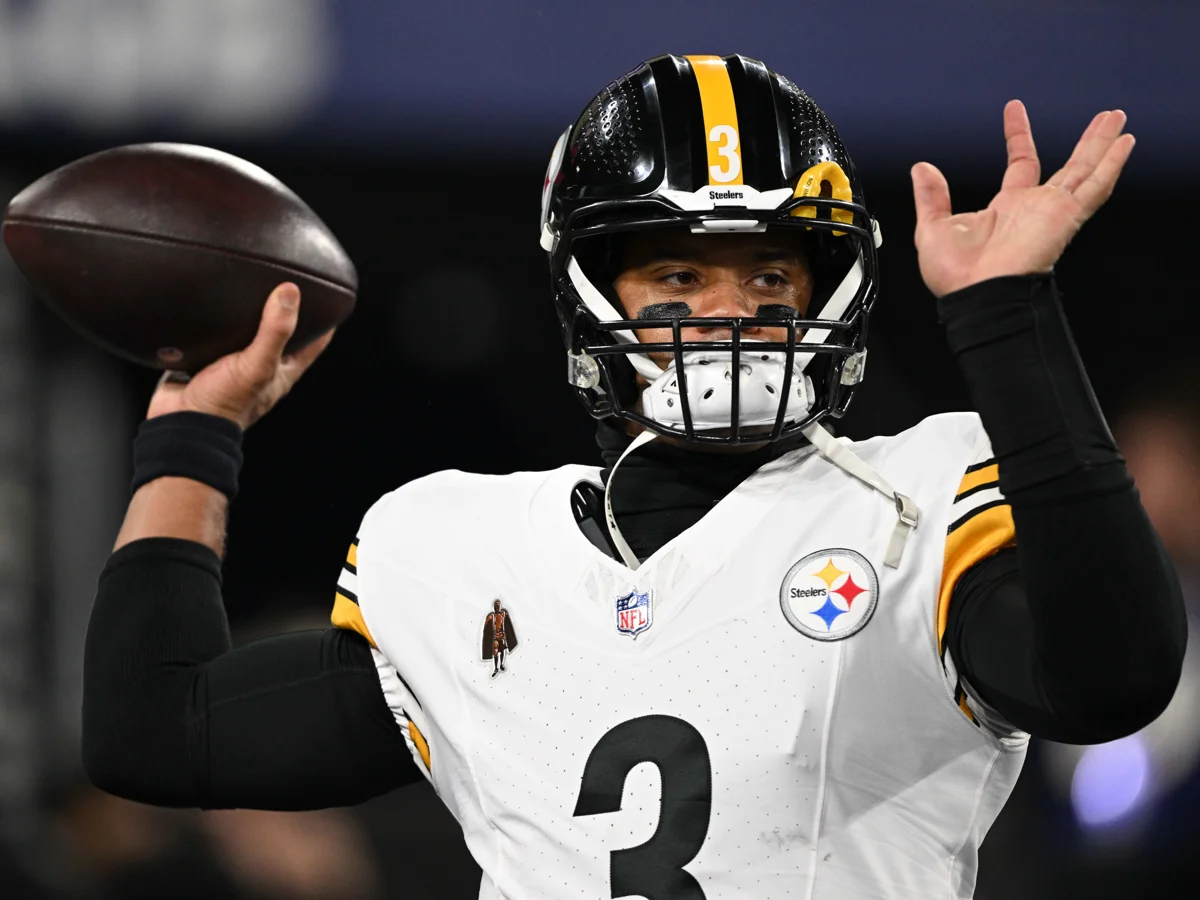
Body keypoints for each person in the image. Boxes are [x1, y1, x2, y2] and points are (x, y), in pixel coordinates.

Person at [81, 54, 1184, 899]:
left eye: (771, 273)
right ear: (591, 295)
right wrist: (194, 433)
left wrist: (1009, 317)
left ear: (825, 295)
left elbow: (1115, 677)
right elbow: (156, 731)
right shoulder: (463, 552)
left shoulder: (909, 503)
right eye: (679, 275)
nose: (731, 310)